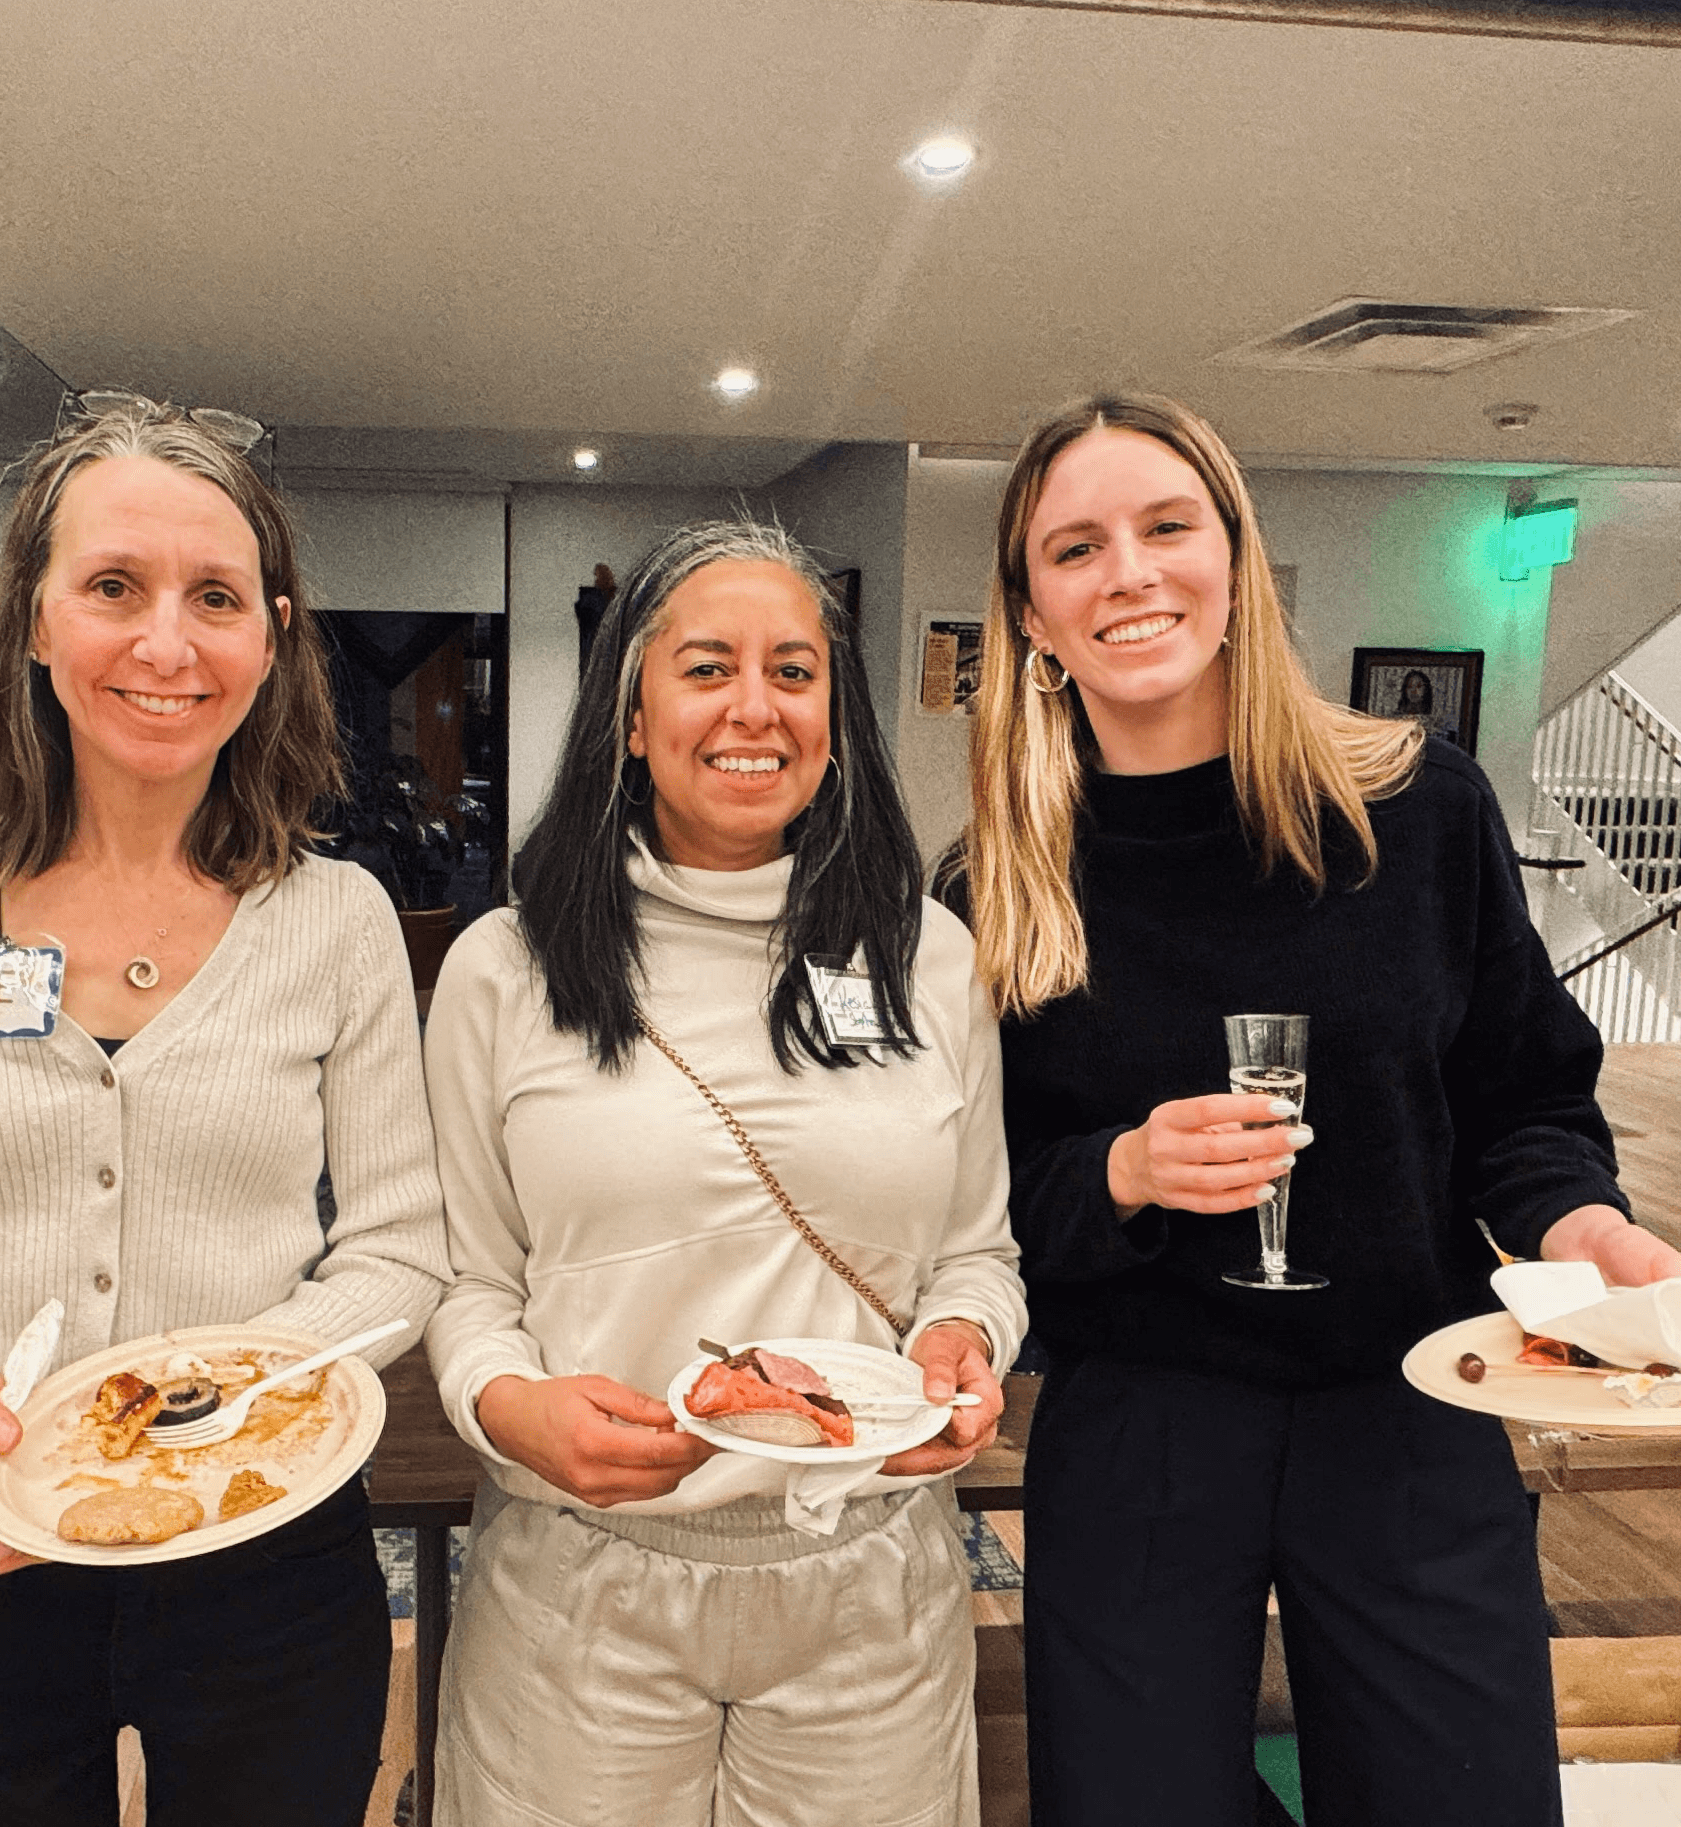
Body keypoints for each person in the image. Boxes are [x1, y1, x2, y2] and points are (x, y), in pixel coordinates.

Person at [948, 392, 1681, 1827]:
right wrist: (1121, 1170)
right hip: (1142, 1419)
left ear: (1236, 557)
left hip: (1409, 1397)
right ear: (1032, 611)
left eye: (1168, 527)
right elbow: (977, 1209)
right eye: (1076, 547)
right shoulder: (996, 885)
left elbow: (1522, 1091)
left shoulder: (1416, 811)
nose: (1131, 573)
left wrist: (1583, 1222)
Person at [0, 394, 449, 1826]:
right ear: (33, 622)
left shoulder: (333, 919)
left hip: (265, 1549)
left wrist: (196, 1416)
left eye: (214, 597)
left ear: (270, 636)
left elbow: (399, 1247)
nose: (165, 644)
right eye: (111, 588)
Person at [421, 521, 1022, 1827]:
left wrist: (964, 1338)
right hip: (584, 1578)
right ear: (629, 716)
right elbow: (465, 1280)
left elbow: (978, 1249)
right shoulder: (505, 966)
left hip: (866, 1575)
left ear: (836, 717)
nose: (753, 705)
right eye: (705, 666)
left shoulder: (928, 959)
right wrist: (511, 1404)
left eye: (793, 671)